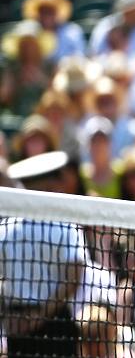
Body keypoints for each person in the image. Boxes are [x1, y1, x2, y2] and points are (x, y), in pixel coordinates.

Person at [1, 151, 87, 358]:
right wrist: (41, 316)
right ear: (50, 185)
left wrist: (7, 315)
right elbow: (74, 278)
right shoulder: (68, 228)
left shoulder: (4, 229)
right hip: (56, 326)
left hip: (17, 326)